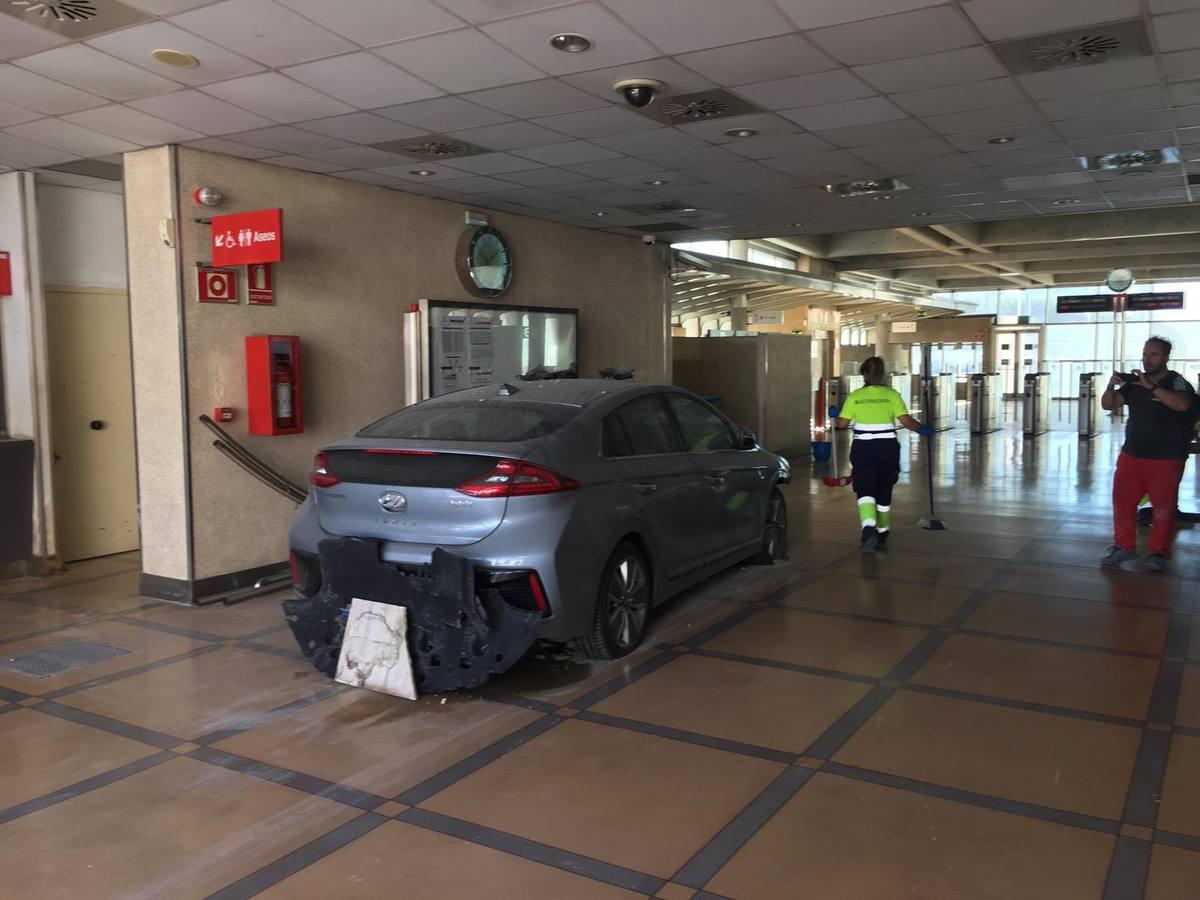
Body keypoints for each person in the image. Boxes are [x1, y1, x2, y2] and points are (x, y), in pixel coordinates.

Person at [1101, 336, 1200, 573]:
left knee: (1163, 508)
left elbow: (1182, 405)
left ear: (1166, 357)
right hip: (1132, 454)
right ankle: (1124, 546)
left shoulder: (1176, 381)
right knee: (1122, 501)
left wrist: (1152, 387)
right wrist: (1110, 387)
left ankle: (1159, 552)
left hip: (1166, 457)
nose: (1147, 359)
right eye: (1145, 354)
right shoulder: (1134, 384)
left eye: (1154, 354)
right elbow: (1108, 404)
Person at [833, 357, 930, 552]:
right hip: (887, 449)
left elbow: (841, 425)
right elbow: (907, 422)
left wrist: (835, 414)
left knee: (865, 489)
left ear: (864, 374)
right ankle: (883, 532)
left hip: (863, 450)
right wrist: (924, 430)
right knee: (884, 489)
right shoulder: (891, 395)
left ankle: (869, 529)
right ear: (882, 374)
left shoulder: (855, 396)